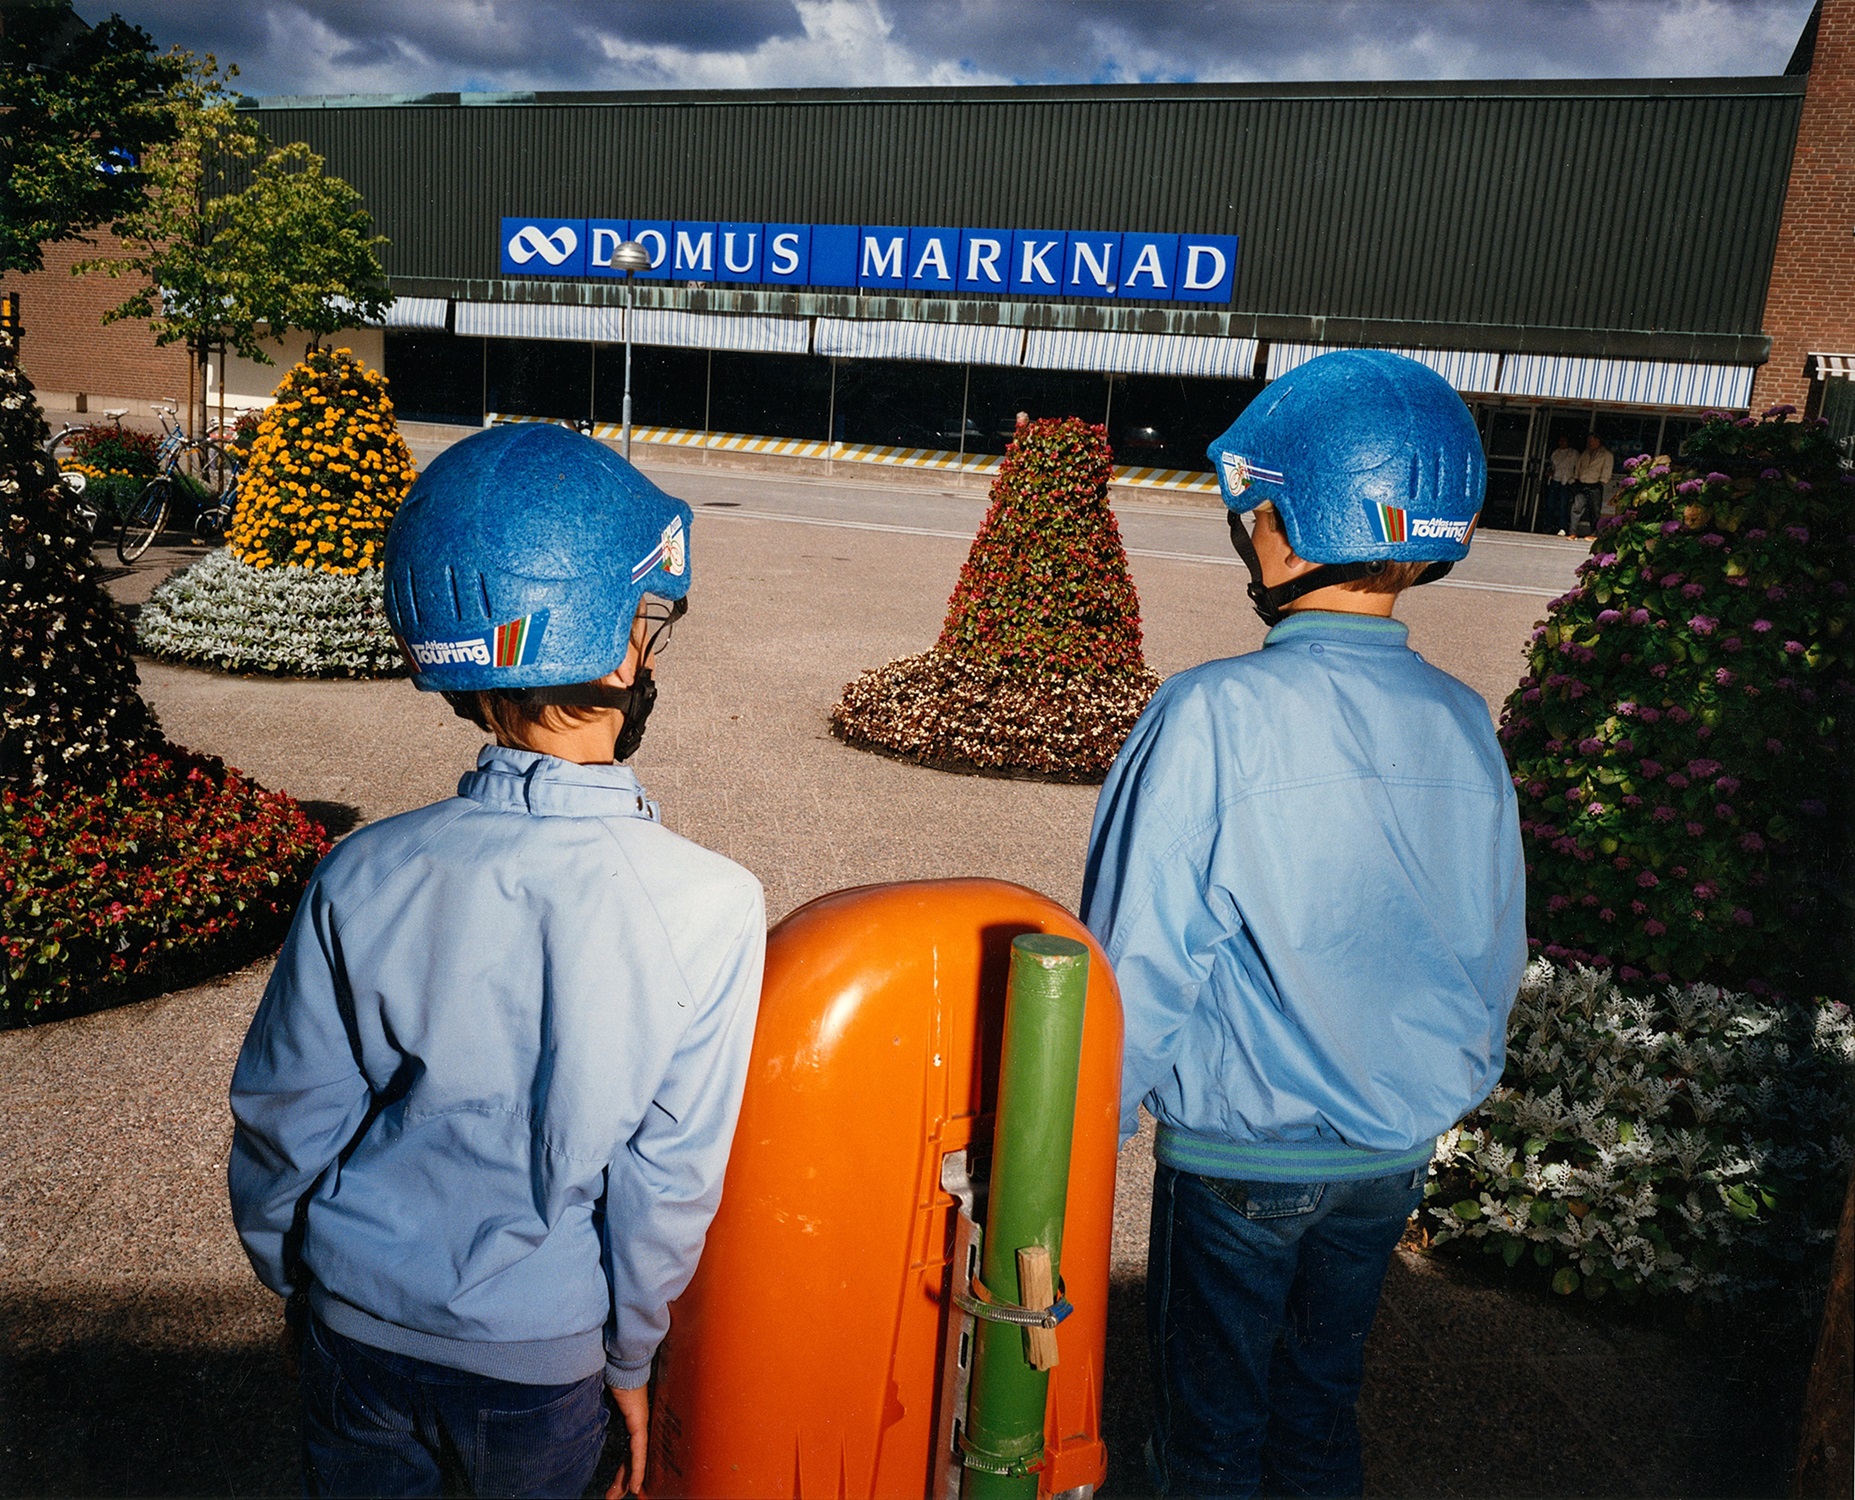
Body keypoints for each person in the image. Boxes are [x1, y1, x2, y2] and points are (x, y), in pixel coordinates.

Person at [227, 423, 766, 1499]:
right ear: (620, 653)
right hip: (538, 1361)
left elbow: (287, 1118)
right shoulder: (710, 903)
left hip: (353, 1323)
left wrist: (296, 1279)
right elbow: (665, 1187)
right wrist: (627, 1358)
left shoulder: (363, 870)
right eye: (648, 623)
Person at [1082, 350, 1526, 1499]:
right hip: (1389, 1151)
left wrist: (1082, 1132)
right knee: (1318, 1410)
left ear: (1277, 527)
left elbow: (1138, 951)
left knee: (1207, 1436)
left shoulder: (1212, 711)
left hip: (1241, 1153)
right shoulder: (1461, 720)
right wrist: (1431, 1093)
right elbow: (1488, 944)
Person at [1569, 430, 1613, 537]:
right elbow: (1579, 465)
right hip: (1583, 482)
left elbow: (1607, 468)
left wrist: (1603, 480)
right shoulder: (1586, 453)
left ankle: (1594, 532)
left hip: (1595, 484)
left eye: (1592, 441)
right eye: (1589, 441)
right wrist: (1576, 477)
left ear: (1598, 441)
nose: (1590, 443)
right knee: (1577, 507)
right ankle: (1572, 531)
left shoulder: (1606, 454)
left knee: (1594, 510)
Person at [1544, 430, 1579, 534]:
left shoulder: (1574, 453)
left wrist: (1573, 479)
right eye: (1560, 441)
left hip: (1567, 481)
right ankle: (1548, 526)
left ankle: (1562, 527)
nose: (1562, 443)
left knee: (1563, 506)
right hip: (1555, 480)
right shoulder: (1556, 453)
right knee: (1550, 504)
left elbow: (1577, 467)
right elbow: (1552, 465)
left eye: (1564, 441)